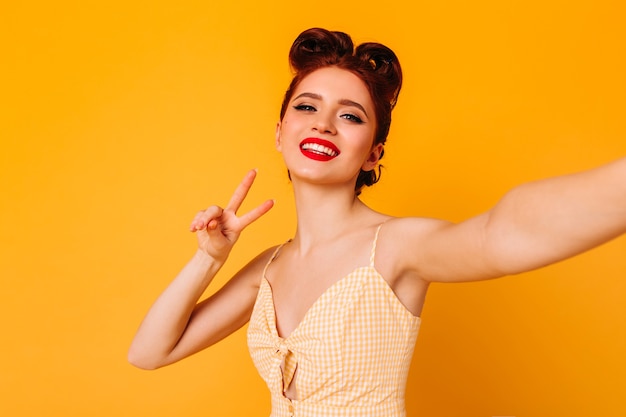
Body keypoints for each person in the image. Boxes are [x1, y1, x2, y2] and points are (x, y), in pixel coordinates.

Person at [128, 28, 626, 417]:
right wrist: (208, 258)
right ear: (281, 133)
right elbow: (149, 353)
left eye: (350, 116)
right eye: (307, 107)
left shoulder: (394, 247)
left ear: (373, 154)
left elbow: (501, 234)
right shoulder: (269, 268)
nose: (323, 123)